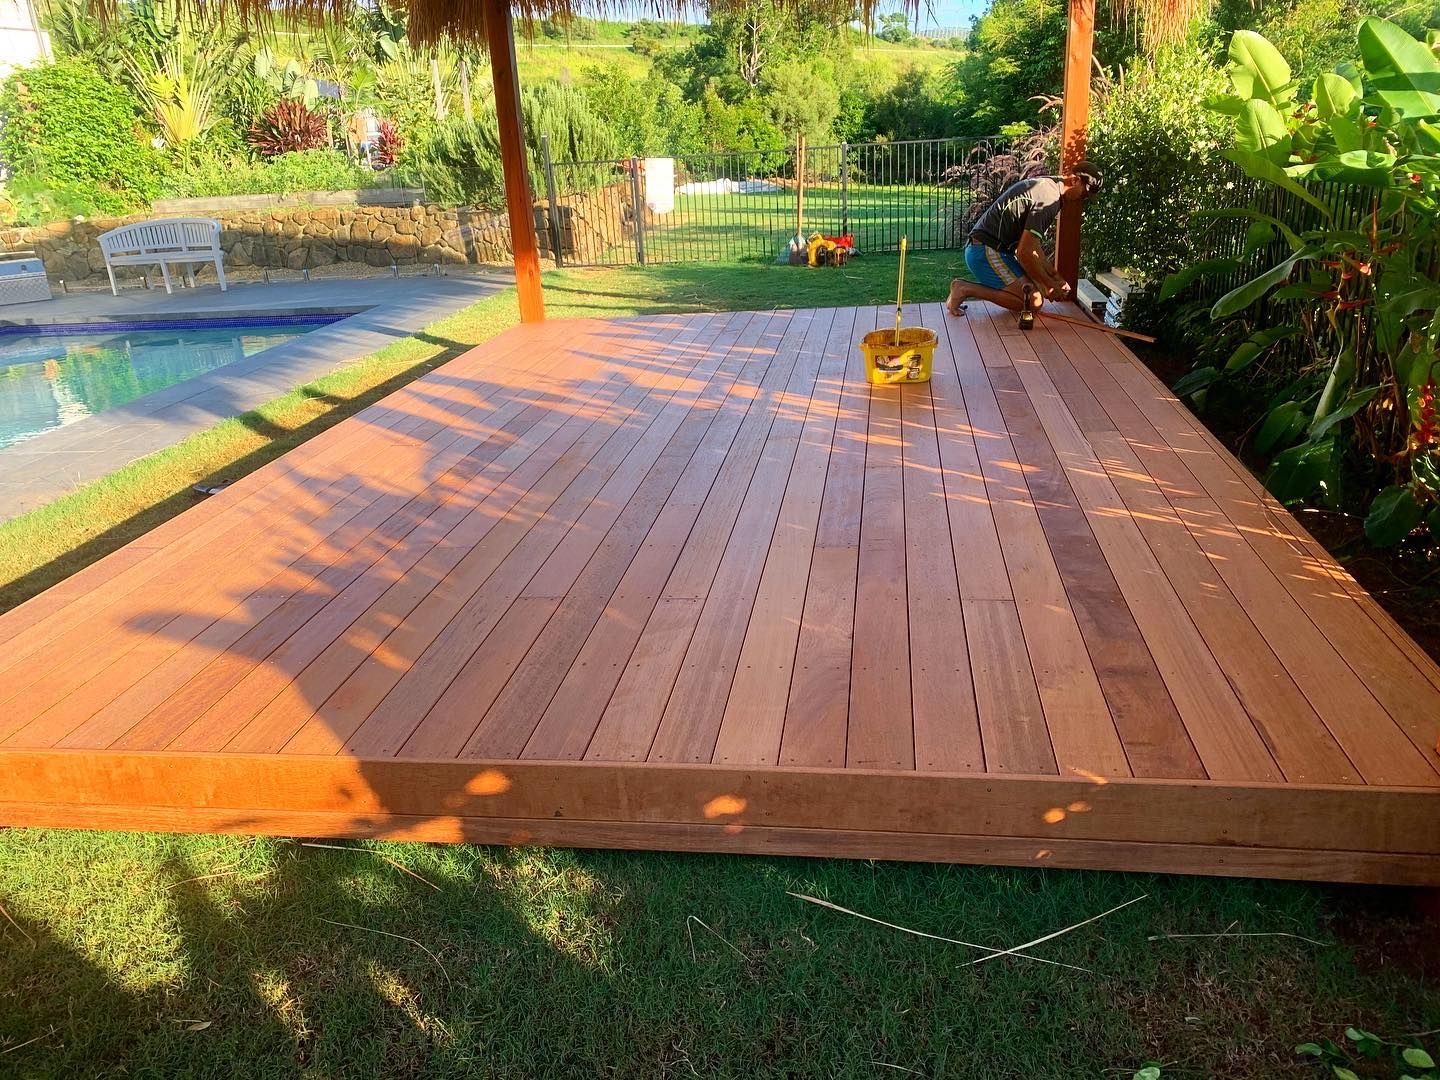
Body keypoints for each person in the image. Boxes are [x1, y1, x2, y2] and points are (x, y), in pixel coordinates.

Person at [946, 161, 1103, 317]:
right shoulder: (1049, 199)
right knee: (1032, 302)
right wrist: (1049, 285)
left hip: (991, 250)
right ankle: (964, 289)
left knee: (1032, 296)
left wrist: (1054, 277)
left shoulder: (1049, 187)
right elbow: (1024, 252)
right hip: (985, 251)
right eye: (1084, 194)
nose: (1082, 199)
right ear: (1075, 180)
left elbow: (1034, 248)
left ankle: (966, 288)